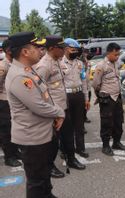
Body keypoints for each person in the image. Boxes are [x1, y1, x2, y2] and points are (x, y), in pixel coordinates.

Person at [5, 32, 65, 198]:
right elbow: (38, 106)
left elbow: (44, 96)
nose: (41, 50)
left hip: (41, 133)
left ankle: (48, 194)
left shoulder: (28, 70)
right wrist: (59, 112)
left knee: (44, 173)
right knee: (36, 181)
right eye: (37, 47)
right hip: (32, 138)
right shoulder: (19, 76)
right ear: (25, 52)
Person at [35, 35, 86, 179]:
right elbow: (39, 92)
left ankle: (71, 159)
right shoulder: (44, 65)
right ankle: (49, 166)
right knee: (52, 142)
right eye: (61, 47)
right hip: (53, 112)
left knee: (68, 136)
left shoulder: (56, 61)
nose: (64, 50)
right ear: (51, 48)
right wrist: (51, 111)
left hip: (64, 108)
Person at [92, 43, 125, 156]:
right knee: (107, 122)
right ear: (109, 53)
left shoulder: (116, 64)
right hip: (107, 98)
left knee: (118, 122)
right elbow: (95, 83)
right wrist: (101, 94)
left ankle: (116, 142)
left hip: (117, 97)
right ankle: (106, 146)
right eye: (115, 54)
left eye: (118, 54)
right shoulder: (101, 65)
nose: (117, 57)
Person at [61, 38, 90, 158]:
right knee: (66, 125)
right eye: (73, 49)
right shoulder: (59, 63)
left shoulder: (79, 63)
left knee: (79, 124)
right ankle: (65, 150)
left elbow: (84, 81)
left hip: (78, 95)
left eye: (77, 50)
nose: (76, 52)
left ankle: (80, 148)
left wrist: (86, 98)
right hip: (65, 96)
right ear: (66, 49)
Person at [0, 39, 21, 167]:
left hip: (14, 102)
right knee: (6, 131)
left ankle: (15, 151)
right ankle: (9, 157)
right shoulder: (3, 66)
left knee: (14, 129)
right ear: (8, 50)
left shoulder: (15, 63)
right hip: (4, 102)